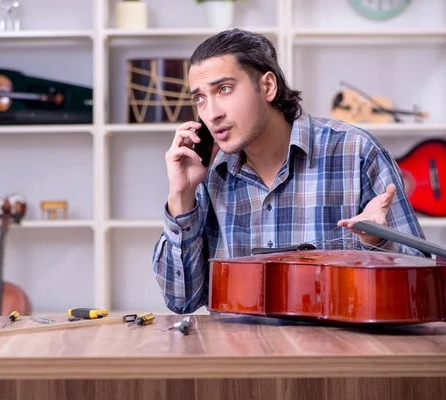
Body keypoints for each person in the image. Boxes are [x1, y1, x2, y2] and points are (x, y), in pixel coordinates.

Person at [151, 28, 427, 315]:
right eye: (200, 98)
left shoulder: (356, 152)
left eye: (224, 89)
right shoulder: (207, 175)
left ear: (268, 86)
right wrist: (181, 195)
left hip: (333, 354)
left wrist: (378, 242)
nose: (211, 113)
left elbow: (420, 289)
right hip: (238, 353)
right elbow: (181, 300)